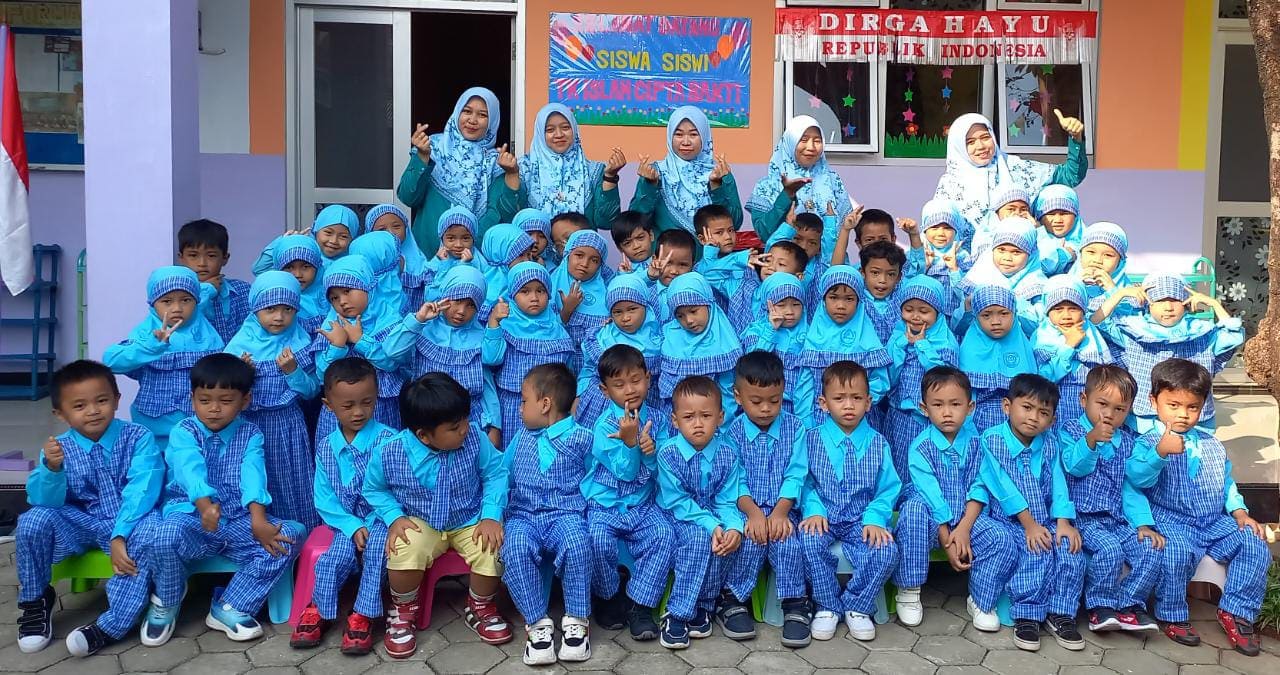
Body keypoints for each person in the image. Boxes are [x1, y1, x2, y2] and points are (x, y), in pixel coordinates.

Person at [144, 354, 305, 643]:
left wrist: (258, 519)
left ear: (245, 401)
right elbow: (189, 468)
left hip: (236, 519)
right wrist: (205, 507)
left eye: (226, 400)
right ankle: (167, 598)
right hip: (192, 517)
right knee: (163, 535)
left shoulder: (251, 433)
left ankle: (229, 605)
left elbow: (253, 475)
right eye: (204, 400)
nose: (214, 409)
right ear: (192, 399)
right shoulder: (184, 431)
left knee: (288, 537)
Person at [15, 360, 163, 656]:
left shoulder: (138, 437)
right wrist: (52, 469)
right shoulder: (58, 448)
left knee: (150, 534)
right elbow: (45, 501)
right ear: (60, 413)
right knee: (32, 521)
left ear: (117, 400)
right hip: (81, 522)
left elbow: (143, 489)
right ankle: (35, 600)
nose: (93, 411)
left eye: (102, 401)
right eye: (80, 406)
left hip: (130, 521)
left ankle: (113, 623)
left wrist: (120, 534)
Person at [363, 373, 512, 657]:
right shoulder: (390, 452)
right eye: (455, 427)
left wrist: (491, 515)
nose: (465, 429)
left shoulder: (476, 439)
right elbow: (374, 489)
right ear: (423, 435)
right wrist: (394, 517)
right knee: (403, 546)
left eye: (465, 420)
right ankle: (403, 611)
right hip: (421, 521)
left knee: (492, 548)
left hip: (469, 519)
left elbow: (495, 473)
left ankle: (480, 606)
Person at [1127, 358, 1268, 656]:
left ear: (1203, 406)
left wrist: (1240, 513)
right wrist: (1159, 453)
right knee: (1175, 551)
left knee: (1253, 542)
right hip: (1171, 521)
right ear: (1154, 402)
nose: (1183, 414)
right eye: (1174, 405)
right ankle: (1172, 613)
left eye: (1192, 407)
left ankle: (1237, 611)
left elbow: (1226, 482)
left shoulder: (1211, 443)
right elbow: (1136, 478)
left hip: (1213, 522)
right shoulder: (1147, 441)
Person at [891, 366, 1020, 632]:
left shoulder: (977, 444)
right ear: (924, 408)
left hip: (967, 515)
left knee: (1002, 539)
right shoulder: (920, 447)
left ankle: (981, 599)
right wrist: (946, 538)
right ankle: (909, 589)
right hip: (930, 517)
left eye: (955, 404)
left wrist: (963, 529)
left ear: (970, 407)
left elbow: (980, 487)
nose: (947, 412)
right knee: (912, 513)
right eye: (938, 405)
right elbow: (931, 495)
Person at [290, 357, 396, 654]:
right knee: (333, 558)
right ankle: (319, 608)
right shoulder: (326, 446)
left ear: (376, 398)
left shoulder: (389, 440)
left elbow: (398, 489)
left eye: (367, 402)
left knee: (377, 553)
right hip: (345, 521)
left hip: (382, 519)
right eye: (348, 406)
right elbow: (324, 498)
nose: (358, 412)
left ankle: (363, 613)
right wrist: (351, 526)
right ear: (328, 405)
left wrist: (378, 520)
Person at [974, 374, 1085, 652]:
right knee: (1035, 549)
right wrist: (1029, 525)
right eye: (1027, 407)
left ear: (1052, 419)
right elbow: (1003, 487)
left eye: (1043, 413)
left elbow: (1058, 482)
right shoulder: (993, 439)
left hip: (1044, 519)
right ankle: (1027, 614)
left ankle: (1061, 613)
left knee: (1069, 548)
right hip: (1009, 520)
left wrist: (1063, 522)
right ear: (1007, 406)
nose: (1034, 417)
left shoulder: (1049, 443)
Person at [796, 360, 901, 642]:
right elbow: (803, 481)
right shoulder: (811, 440)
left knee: (887, 551)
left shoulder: (878, 443)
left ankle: (857, 605)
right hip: (824, 517)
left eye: (856, 398)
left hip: (861, 519)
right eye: (839, 398)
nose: (848, 405)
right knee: (807, 541)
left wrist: (875, 518)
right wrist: (813, 509)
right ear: (823, 403)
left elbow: (888, 489)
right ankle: (827, 604)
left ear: (868, 402)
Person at [1058, 365, 1162, 635]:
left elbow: (1130, 488)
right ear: (1084, 400)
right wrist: (1091, 440)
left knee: (1151, 549)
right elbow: (1073, 467)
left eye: (1119, 409)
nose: (1109, 414)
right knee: (1110, 549)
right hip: (1083, 518)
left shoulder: (1127, 442)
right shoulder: (1070, 431)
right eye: (1102, 404)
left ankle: (1130, 604)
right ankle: (1100, 606)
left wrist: (1143, 524)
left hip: (1117, 519)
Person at [502, 364, 595, 665]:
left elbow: (596, 478)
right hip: (523, 515)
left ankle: (577, 621)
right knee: (514, 548)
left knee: (578, 544)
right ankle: (537, 624)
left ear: (545, 404)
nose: (519, 408)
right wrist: (492, 513)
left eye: (523, 401)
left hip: (565, 514)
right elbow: (503, 474)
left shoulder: (582, 438)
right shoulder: (521, 437)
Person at [722, 352, 810, 647]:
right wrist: (754, 513)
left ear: (783, 392)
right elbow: (735, 479)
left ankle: (795, 604)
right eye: (756, 401)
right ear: (738, 397)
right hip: (747, 508)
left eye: (774, 400)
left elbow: (796, 474)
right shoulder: (732, 433)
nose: (765, 409)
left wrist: (781, 512)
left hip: (784, 508)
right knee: (750, 539)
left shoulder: (795, 428)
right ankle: (733, 599)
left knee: (788, 542)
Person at [582, 344, 670, 643]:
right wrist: (632, 445)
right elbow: (625, 473)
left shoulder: (658, 420)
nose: (630, 390)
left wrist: (651, 453)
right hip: (605, 506)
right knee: (596, 538)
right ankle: (608, 595)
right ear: (605, 391)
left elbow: (662, 471)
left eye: (636, 380)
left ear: (648, 378)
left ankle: (639, 603)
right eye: (619, 385)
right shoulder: (603, 425)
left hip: (643, 504)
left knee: (663, 535)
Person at [224, 271, 320, 529]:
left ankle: (300, 536)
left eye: (287, 309)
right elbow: (226, 394)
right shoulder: (239, 347)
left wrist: (293, 371)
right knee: (255, 476)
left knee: (291, 479)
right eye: (270, 309)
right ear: (255, 308)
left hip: (288, 426)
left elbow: (311, 391)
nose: (279, 317)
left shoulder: (300, 342)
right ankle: (259, 532)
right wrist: (241, 374)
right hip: (249, 426)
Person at [655, 376, 746, 650]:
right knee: (698, 539)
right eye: (688, 417)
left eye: (706, 416)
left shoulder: (728, 453)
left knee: (733, 538)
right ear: (675, 421)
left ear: (720, 417)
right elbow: (677, 501)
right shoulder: (668, 454)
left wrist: (733, 527)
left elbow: (727, 501)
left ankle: (704, 605)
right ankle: (677, 613)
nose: (697, 424)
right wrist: (711, 524)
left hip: (713, 514)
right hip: (675, 515)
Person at [1099, 274, 1244, 433]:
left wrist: (1214, 304)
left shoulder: (1202, 332)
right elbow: (1096, 325)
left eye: (1175, 300)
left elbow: (1233, 336)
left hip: (1192, 421)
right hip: (1146, 421)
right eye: (1160, 300)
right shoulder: (1133, 331)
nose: (1168, 307)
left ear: (1186, 302)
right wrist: (1120, 294)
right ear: (1148, 303)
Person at [103, 266, 224, 449]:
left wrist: (209, 288)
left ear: (196, 302)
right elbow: (111, 361)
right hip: (155, 428)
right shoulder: (146, 332)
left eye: (186, 300)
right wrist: (152, 346)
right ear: (153, 304)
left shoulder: (208, 336)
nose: (177, 308)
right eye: (166, 301)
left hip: (199, 430)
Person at [397, 87, 520, 255]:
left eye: (482, 115)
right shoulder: (434, 148)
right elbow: (407, 197)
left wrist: (469, 248)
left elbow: (502, 214)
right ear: (457, 112)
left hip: (472, 259)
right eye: (467, 111)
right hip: (427, 256)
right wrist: (422, 157)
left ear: (492, 121)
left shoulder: (495, 163)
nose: (472, 120)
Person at [386, 266, 500, 440]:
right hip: (425, 421)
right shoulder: (423, 329)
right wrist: (418, 319)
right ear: (445, 296)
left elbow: (487, 385)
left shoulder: (480, 338)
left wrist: (495, 425)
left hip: (467, 425)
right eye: (457, 300)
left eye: (471, 305)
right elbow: (392, 351)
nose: (461, 311)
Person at [933, 111, 1087, 232]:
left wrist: (1076, 137)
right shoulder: (950, 184)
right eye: (970, 142)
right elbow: (937, 228)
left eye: (985, 137)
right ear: (958, 147)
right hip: (965, 262)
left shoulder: (1016, 167)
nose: (980, 146)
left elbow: (1071, 176)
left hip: (1020, 256)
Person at [483, 261, 577, 447]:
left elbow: (567, 372)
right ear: (512, 295)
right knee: (515, 451)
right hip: (513, 406)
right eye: (525, 291)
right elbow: (491, 359)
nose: (534, 298)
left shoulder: (557, 331)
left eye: (540, 291)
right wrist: (494, 322)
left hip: (550, 410)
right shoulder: (505, 325)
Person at [313, 256, 408, 437]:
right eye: (334, 297)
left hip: (377, 406)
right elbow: (321, 375)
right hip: (339, 412)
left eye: (347, 291)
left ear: (368, 286)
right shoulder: (331, 326)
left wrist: (360, 340)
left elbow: (392, 364)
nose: (342, 301)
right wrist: (338, 346)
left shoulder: (388, 321)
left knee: (379, 448)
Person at [794, 266, 891, 426]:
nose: (840, 305)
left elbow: (880, 382)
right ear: (823, 300)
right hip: (820, 421)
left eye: (849, 299)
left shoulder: (868, 341)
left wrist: (855, 405)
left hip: (861, 421)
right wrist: (806, 425)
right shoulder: (814, 340)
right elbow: (805, 389)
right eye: (833, 297)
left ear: (859, 301)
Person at [885, 276, 960, 482]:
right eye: (909, 310)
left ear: (937, 312)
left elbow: (945, 380)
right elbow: (888, 375)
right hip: (898, 415)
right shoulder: (897, 336)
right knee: (899, 463)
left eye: (924, 311)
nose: (916, 317)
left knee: (925, 465)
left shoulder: (945, 342)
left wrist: (922, 345)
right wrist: (902, 344)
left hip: (929, 419)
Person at [632, 106, 741, 236]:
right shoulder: (655, 172)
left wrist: (716, 187)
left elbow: (735, 222)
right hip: (668, 248)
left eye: (693, 134)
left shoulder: (720, 173)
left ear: (704, 136)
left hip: (712, 249)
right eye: (678, 134)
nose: (686, 142)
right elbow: (636, 224)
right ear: (670, 136)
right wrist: (649, 186)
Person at [747, 115, 857, 245]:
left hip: (828, 257)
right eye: (803, 140)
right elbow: (764, 233)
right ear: (790, 142)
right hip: (785, 256)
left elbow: (842, 231)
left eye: (817, 141)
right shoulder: (766, 186)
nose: (811, 147)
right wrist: (786, 195)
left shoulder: (833, 180)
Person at [575, 275, 663, 430]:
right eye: (617, 312)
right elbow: (588, 369)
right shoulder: (601, 337)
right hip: (601, 403)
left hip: (646, 404)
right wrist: (579, 395)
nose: (625, 318)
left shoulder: (659, 340)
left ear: (646, 306)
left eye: (632, 309)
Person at [520, 103, 622, 230]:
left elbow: (606, 222)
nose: (559, 134)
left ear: (574, 129)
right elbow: (510, 215)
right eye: (550, 130)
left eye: (565, 127)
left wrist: (610, 177)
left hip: (582, 243)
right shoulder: (525, 169)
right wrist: (511, 176)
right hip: (535, 243)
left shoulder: (592, 171)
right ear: (540, 133)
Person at [1035, 276, 1122, 425]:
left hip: (1089, 412)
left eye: (1073, 309)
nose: (1066, 316)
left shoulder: (1093, 335)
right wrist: (1069, 345)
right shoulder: (1041, 338)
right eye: (1058, 309)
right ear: (1047, 311)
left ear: (1083, 310)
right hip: (1052, 408)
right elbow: (1042, 379)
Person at [659, 273, 744, 419]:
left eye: (693, 311)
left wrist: (723, 426)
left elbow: (728, 393)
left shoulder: (724, 340)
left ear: (708, 304)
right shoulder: (669, 335)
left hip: (715, 422)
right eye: (680, 316)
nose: (689, 320)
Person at [960, 285, 1039, 431]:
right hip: (974, 423)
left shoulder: (1023, 347)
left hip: (1016, 425)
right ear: (976, 317)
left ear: (1014, 313)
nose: (995, 321)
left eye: (1004, 313)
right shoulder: (969, 349)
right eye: (986, 315)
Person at [739, 273, 808, 414]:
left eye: (796, 304)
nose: (790, 312)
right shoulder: (756, 331)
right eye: (781, 305)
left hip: (801, 404)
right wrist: (771, 330)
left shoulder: (810, 332)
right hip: (766, 403)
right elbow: (754, 364)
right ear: (768, 305)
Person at [177, 219, 250, 344]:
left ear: (225, 258)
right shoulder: (176, 295)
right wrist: (206, 290)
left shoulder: (243, 291)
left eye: (211, 255)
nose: (202, 263)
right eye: (193, 255)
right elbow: (183, 323)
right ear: (181, 258)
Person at [552, 229, 615, 366]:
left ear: (600, 266)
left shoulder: (608, 292)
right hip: (560, 363)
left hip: (593, 365)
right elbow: (547, 329)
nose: (585, 264)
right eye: (579, 255)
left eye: (594, 260)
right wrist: (567, 310)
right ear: (568, 255)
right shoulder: (550, 285)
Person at [367, 203, 430, 311]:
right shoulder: (367, 263)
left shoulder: (422, 264)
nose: (391, 233)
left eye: (396, 227)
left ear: (406, 229)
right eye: (382, 230)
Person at [1069, 221, 1136, 314]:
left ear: (1120, 262)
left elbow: (1129, 315)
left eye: (1108, 255)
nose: (1097, 260)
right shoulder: (1064, 283)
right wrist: (1075, 285)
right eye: (1091, 252)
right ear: (1080, 255)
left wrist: (1113, 291)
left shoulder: (1129, 293)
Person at [855, 241, 907, 344]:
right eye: (875, 273)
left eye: (891, 274)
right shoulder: (855, 300)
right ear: (863, 273)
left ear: (899, 277)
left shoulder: (904, 301)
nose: (882, 280)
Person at [1032, 185, 1085, 276]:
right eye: (1051, 213)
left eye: (1064, 213)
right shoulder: (1030, 242)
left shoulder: (1090, 243)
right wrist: (1066, 255)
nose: (1058, 220)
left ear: (1075, 215)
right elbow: (1046, 266)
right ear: (1039, 217)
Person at [611, 210, 656, 277]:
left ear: (651, 235)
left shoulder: (666, 265)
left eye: (640, 238)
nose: (636, 246)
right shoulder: (621, 275)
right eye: (627, 243)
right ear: (620, 248)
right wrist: (624, 277)